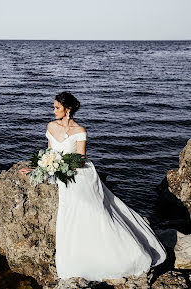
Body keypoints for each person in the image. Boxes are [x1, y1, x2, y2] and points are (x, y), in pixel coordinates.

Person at [19, 92, 166, 281]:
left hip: (78, 173)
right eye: (54, 107)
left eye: (57, 107)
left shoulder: (80, 131)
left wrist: (58, 166)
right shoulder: (50, 126)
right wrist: (42, 166)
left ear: (68, 109)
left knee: (90, 208)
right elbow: (48, 151)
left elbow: (80, 160)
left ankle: (125, 254)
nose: (54, 110)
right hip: (58, 170)